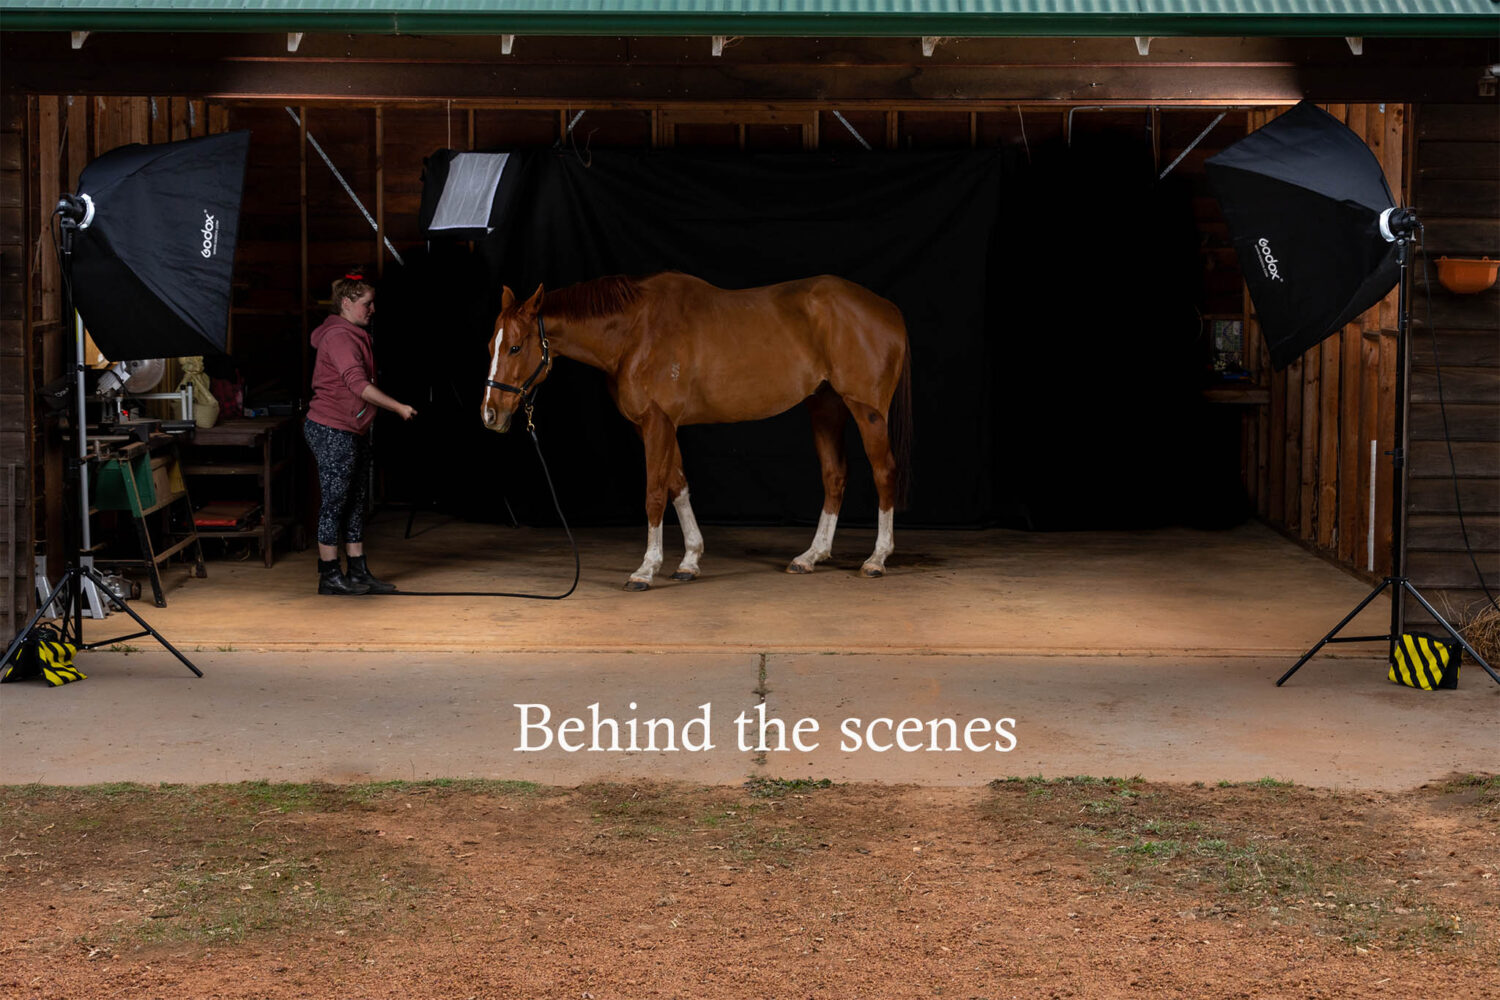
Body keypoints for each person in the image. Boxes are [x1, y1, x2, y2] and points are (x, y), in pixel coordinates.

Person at [303, 270, 416, 595]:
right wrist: (398, 407)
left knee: (355, 501)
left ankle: (357, 569)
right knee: (335, 501)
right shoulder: (338, 337)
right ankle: (328, 575)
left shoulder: (353, 334)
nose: (372, 309)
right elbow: (357, 384)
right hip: (331, 427)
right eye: (367, 303)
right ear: (347, 302)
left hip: (352, 428)